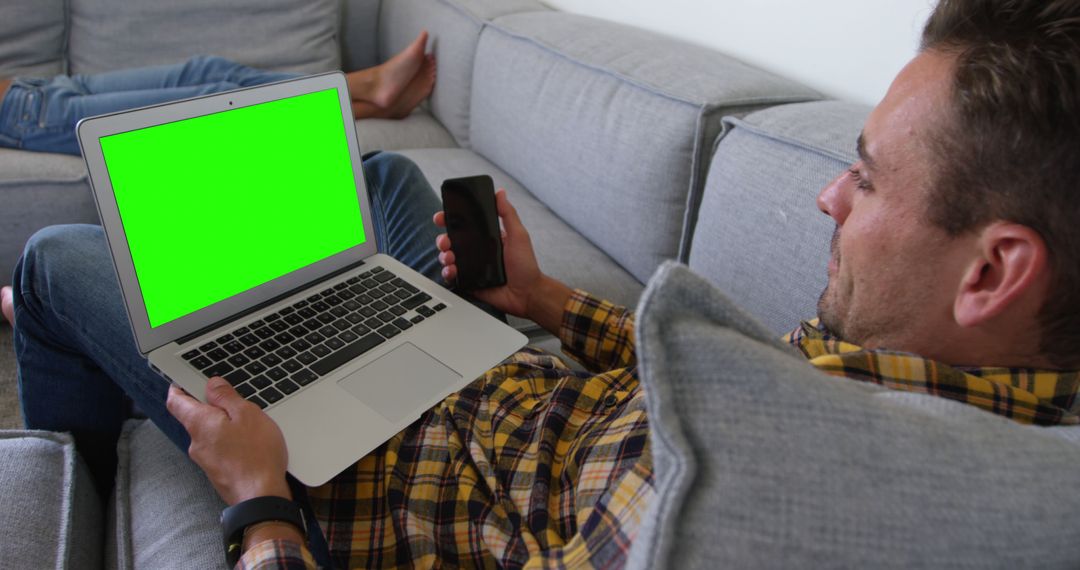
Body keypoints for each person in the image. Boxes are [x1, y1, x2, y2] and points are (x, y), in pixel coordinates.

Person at [5, 0, 1080, 566]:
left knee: (53, 265)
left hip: (367, 478)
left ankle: (80, 461)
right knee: (381, 176)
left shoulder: (756, 503)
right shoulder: (983, 387)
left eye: (868, 177)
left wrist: (260, 504)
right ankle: (323, 286)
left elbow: (725, 438)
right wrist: (550, 303)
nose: (827, 202)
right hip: (503, 375)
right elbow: (741, 381)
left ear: (992, 270)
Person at [0, 31, 436, 156]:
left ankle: (365, 96)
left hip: (33, 88)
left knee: (207, 69)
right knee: (217, 98)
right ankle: (365, 91)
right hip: (22, 117)